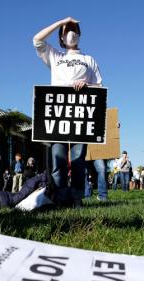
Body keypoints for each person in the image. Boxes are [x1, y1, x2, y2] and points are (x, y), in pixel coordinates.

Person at [33, 17, 103, 208]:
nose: (70, 33)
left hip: (81, 115)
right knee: (58, 159)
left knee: (79, 160)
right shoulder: (56, 57)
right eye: (66, 31)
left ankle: (77, 198)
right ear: (61, 38)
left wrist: (87, 85)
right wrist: (61, 22)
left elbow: (99, 87)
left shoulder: (89, 60)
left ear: (79, 35)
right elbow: (37, 40)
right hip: (58, 115)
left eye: (73, 30)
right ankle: (60, 198)